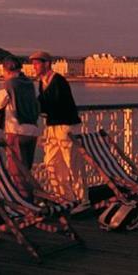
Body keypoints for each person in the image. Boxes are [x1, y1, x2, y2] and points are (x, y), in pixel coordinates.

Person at [29, 50, 87, 204]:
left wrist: (34, 107)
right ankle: (65, 197)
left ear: (46, 64)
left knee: (73, 163)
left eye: (36, 64)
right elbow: (43, 102)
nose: (34, 67)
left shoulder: (58, 81)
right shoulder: (42, 82)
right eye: (33, 64)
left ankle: (83, 200)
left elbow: (51, 103)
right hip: (52, 127)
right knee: (52, 163)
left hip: (66, 127)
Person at [0, 56, 41, 169]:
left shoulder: (10, 84)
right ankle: (29, 187)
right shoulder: (29, 83)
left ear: (6, 70)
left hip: (16, 130)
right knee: (26, 169)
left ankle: (19, 187)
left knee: (16, 169)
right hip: (32, 129)